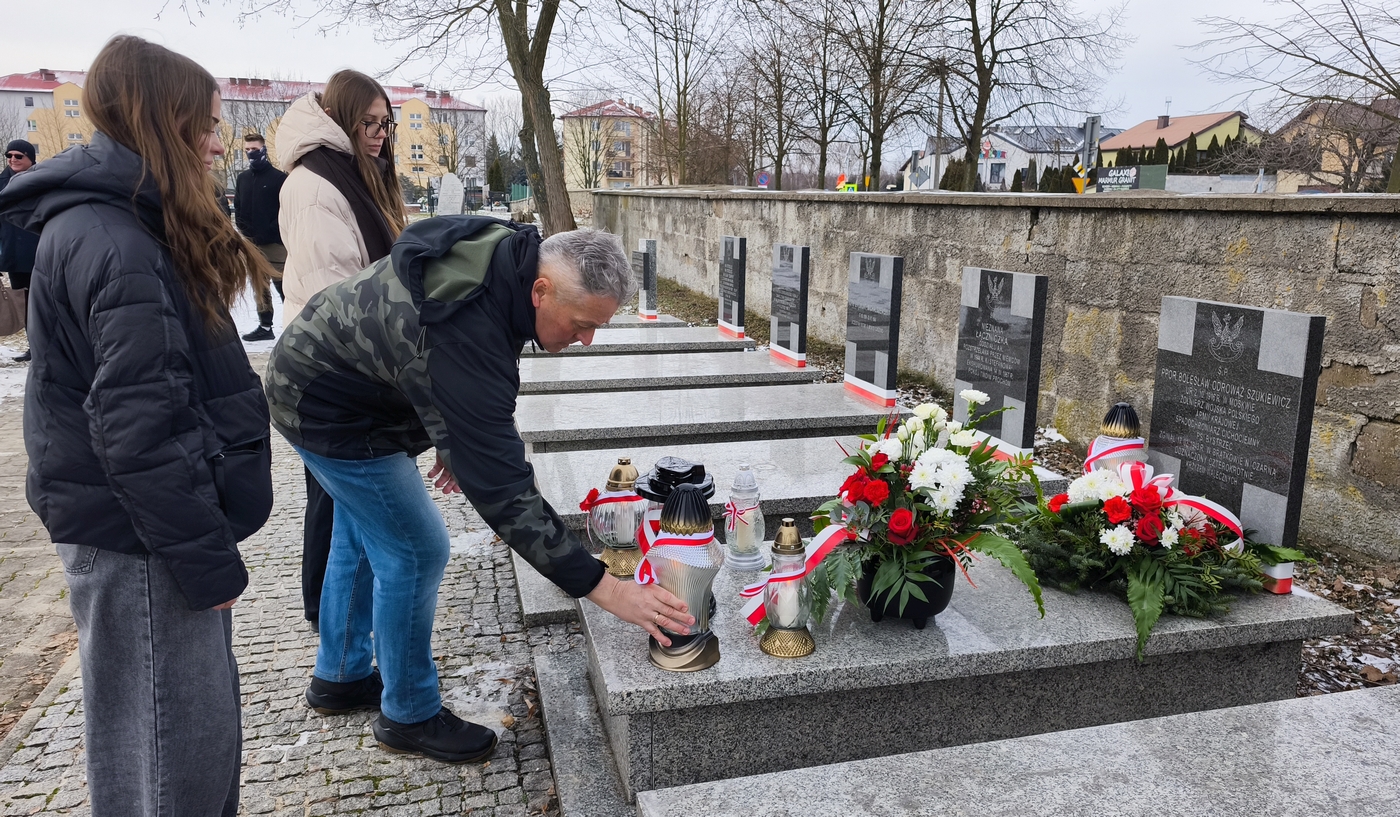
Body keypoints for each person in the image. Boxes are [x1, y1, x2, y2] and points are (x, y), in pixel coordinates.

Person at [265, 217, 694, 764]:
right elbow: (504, 490)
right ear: (541, 291)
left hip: (335, 379)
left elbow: (458, 378)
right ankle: (409, 715)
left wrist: (454, 431)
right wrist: (605, 588)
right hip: (329, 409)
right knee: (415, 549)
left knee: (367, 529)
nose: (586, 340)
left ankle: (341, 677)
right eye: (583, 324)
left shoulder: (512, 257)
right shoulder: (466, 327)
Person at [0, 36, 276, 816]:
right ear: (162, 122)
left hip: (146, 533)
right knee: (172, 762)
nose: (219, 144)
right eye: (206, 126)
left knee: (171, 750)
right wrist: (208, 564)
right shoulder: (116, 242)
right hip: (143, 542)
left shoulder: (127, 225)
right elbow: (139, 433)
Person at [275, 70, 406, 630]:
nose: (379, 135)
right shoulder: (315, 185)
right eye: (367, 123)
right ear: (339, 118)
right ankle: (325, 616)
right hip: (330, 368)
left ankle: (339, 623)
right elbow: (333, 294)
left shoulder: (354, 173)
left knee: (344, 505)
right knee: (334, 502)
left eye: (385, 123)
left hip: (350, 363)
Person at [234, 133, 287, 341]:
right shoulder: (243, 179)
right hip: (252, 245)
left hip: (275, 245)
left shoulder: (279, 178)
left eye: (254, 149)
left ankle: (297, 325)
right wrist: (244, 232)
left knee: (285, 287)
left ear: (264, 149)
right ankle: (265, 327)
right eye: (247, 150)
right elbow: (238, 207)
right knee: (260, 287)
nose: (250, 153)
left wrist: (272, 231)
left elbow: (285, 211)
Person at [0, 139, 39, 361]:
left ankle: (52, 349)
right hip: (15, 255)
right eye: (9, 155)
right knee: (25, 305)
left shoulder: (43, 181)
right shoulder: (1, 184)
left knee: (46, 304)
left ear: (30, 158)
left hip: (43, 253)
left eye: (18, 156)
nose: (12, 159)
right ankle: (34, 348)